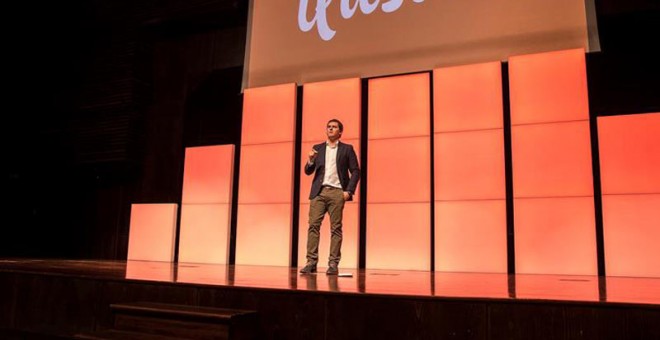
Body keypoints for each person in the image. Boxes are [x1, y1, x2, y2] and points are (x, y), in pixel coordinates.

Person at [300, 119, 360, 275]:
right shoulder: (317, 149)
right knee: (313, 226)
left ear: (340, 132)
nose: (331, 129)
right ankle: (311, 262)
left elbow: (355, 171)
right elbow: (308, 171)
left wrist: (349, 191)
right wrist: (311, 160)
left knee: (336, 229)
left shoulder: (347, 149)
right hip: (318, 192)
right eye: (329, 127)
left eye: (334, 127)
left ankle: (333, 264)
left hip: (337, 192)